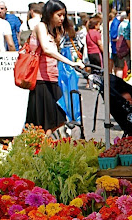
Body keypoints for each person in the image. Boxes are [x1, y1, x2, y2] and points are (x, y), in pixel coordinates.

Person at [25, 0, 84, 135]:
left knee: (58, 119)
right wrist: (71, 63)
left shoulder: (55, 30)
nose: (62, 18)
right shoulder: (41, 26)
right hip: (41, 79)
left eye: (63, 15)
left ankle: (43, 145)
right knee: (46, 122)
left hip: (52, 78)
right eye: (59, 15)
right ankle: (41, 145)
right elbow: (46, 49)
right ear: (50, 14)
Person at [114, 11, 130, 77]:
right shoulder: (127, 24)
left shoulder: (121, 24)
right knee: (125, 66)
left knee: (119, 67)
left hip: (119, 47)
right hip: (125, 48)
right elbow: (127, 37)